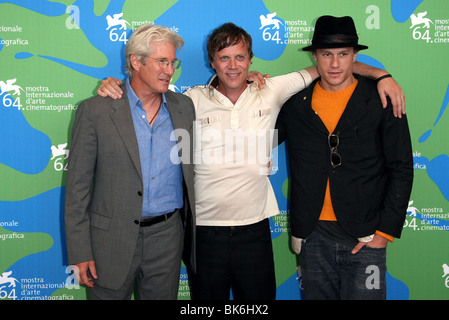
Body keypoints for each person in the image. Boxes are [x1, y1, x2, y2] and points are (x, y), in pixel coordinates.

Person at [97, 22, 405, 300]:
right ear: (212, 62)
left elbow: (332, 68)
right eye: (224, 58)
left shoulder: (271, 90)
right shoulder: (189, 99)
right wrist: (116, 87)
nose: (233, 66)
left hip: (254, 232)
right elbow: (147, 94)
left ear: (251, 60)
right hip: (203, 234)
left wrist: (382, 75)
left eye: (240, 57)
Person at [275, 15, 414, 299]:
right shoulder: (295, 106)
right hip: (313, 237)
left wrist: (383, 234)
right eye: (326, 54)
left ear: (355, 56)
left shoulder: (382, 99)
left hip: (365, 235)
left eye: (343, 54)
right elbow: (257, 137)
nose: (335, 64)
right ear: (315, 57)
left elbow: (401, 168)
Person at [64, 24, 196, 300]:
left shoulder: (184, 107)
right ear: (136, 61)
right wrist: (80, 251)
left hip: (167, 238)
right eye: (162, 61)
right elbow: (77, 189)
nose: (170, 70)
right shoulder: (95, 111)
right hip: (109, 241)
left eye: (173, 62)